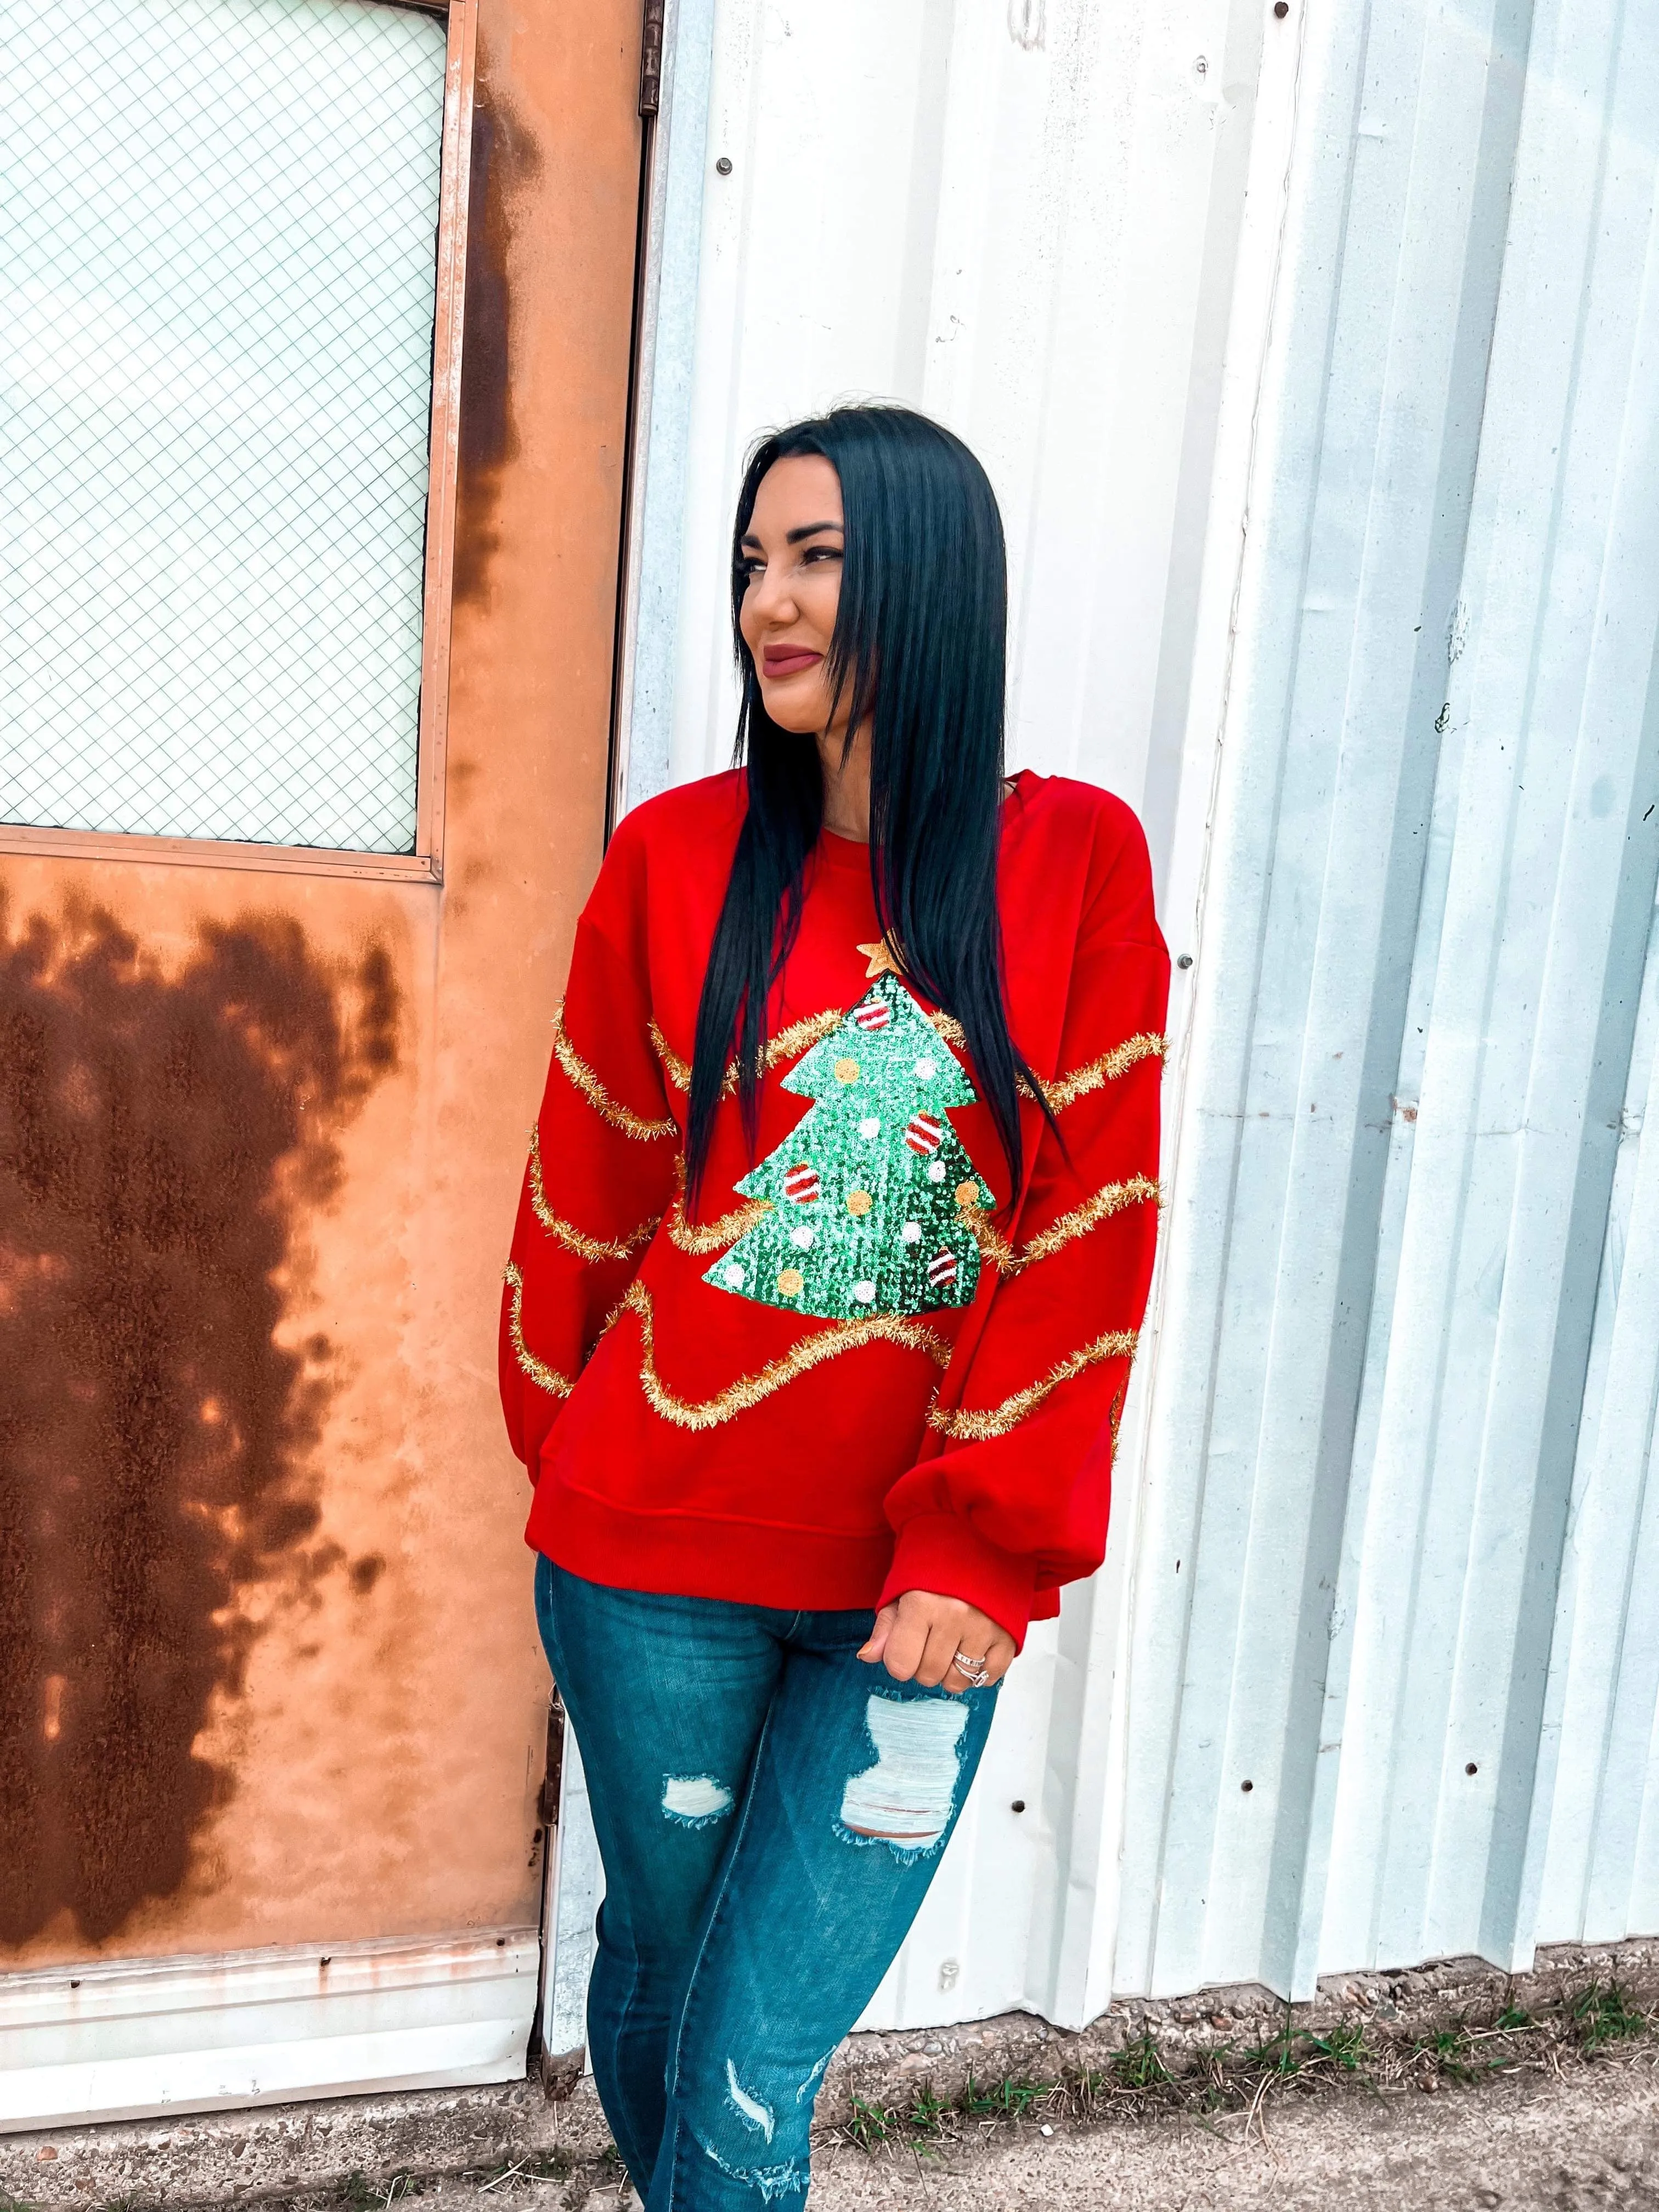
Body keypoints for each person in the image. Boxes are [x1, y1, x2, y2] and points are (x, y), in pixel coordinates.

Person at [499, 404, 1168, 2208]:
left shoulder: (1077, 863)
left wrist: (986, 1545)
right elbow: (594, 1177)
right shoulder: (677, 856)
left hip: (915, 1598)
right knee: (658, 1966)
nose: (769, 605)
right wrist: (574, 1462)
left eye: (819, 561)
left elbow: (1087, 1227)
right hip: (651, 1564)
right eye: (749, 565)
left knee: (752, 2053)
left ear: (934, 581)